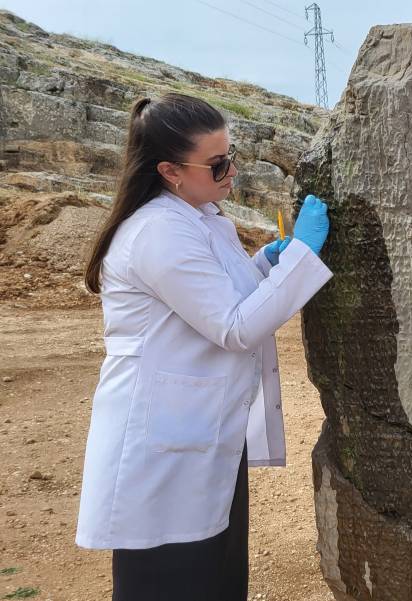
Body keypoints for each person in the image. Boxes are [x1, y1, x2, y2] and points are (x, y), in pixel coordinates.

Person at [76, 93, 333, 601]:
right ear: (170, 170)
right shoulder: (157, 231)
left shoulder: (199, 216)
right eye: (217, 165)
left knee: (215, 577)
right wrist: (302, 254)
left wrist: (267, 264)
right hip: (161, 448)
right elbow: (234, 325)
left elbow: (214, 295)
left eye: (231, 156)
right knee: (172, 582)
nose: (231, 171)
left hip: (201, 432)